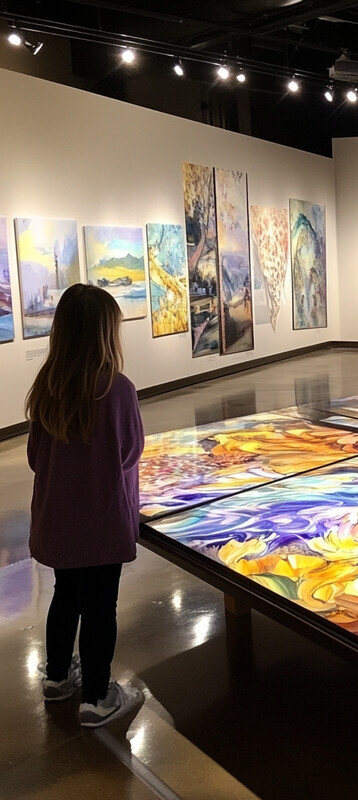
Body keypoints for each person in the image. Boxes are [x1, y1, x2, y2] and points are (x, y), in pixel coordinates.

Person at [26, 283, 145, 728]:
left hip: (58, 521)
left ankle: (56, 677)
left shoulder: (47, 387)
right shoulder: (117, 389)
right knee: (101, 606)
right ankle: (97, 696)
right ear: (104, 334)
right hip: (102, 522)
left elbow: (36, 458)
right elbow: (131, 452)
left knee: (65, 595)